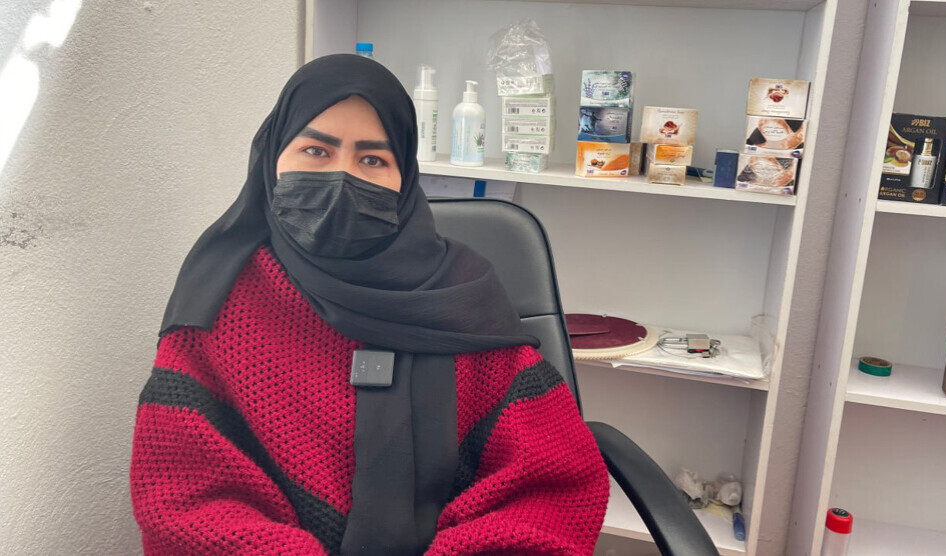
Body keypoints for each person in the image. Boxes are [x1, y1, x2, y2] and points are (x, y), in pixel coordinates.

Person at [129, 54, 609, 555]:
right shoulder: (222, 300)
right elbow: (186, 498)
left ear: (406, 177)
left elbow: (551, 483)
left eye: (373, 160)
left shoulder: (463, 296)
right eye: (316, 150)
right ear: (272, 160)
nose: (342, 177)